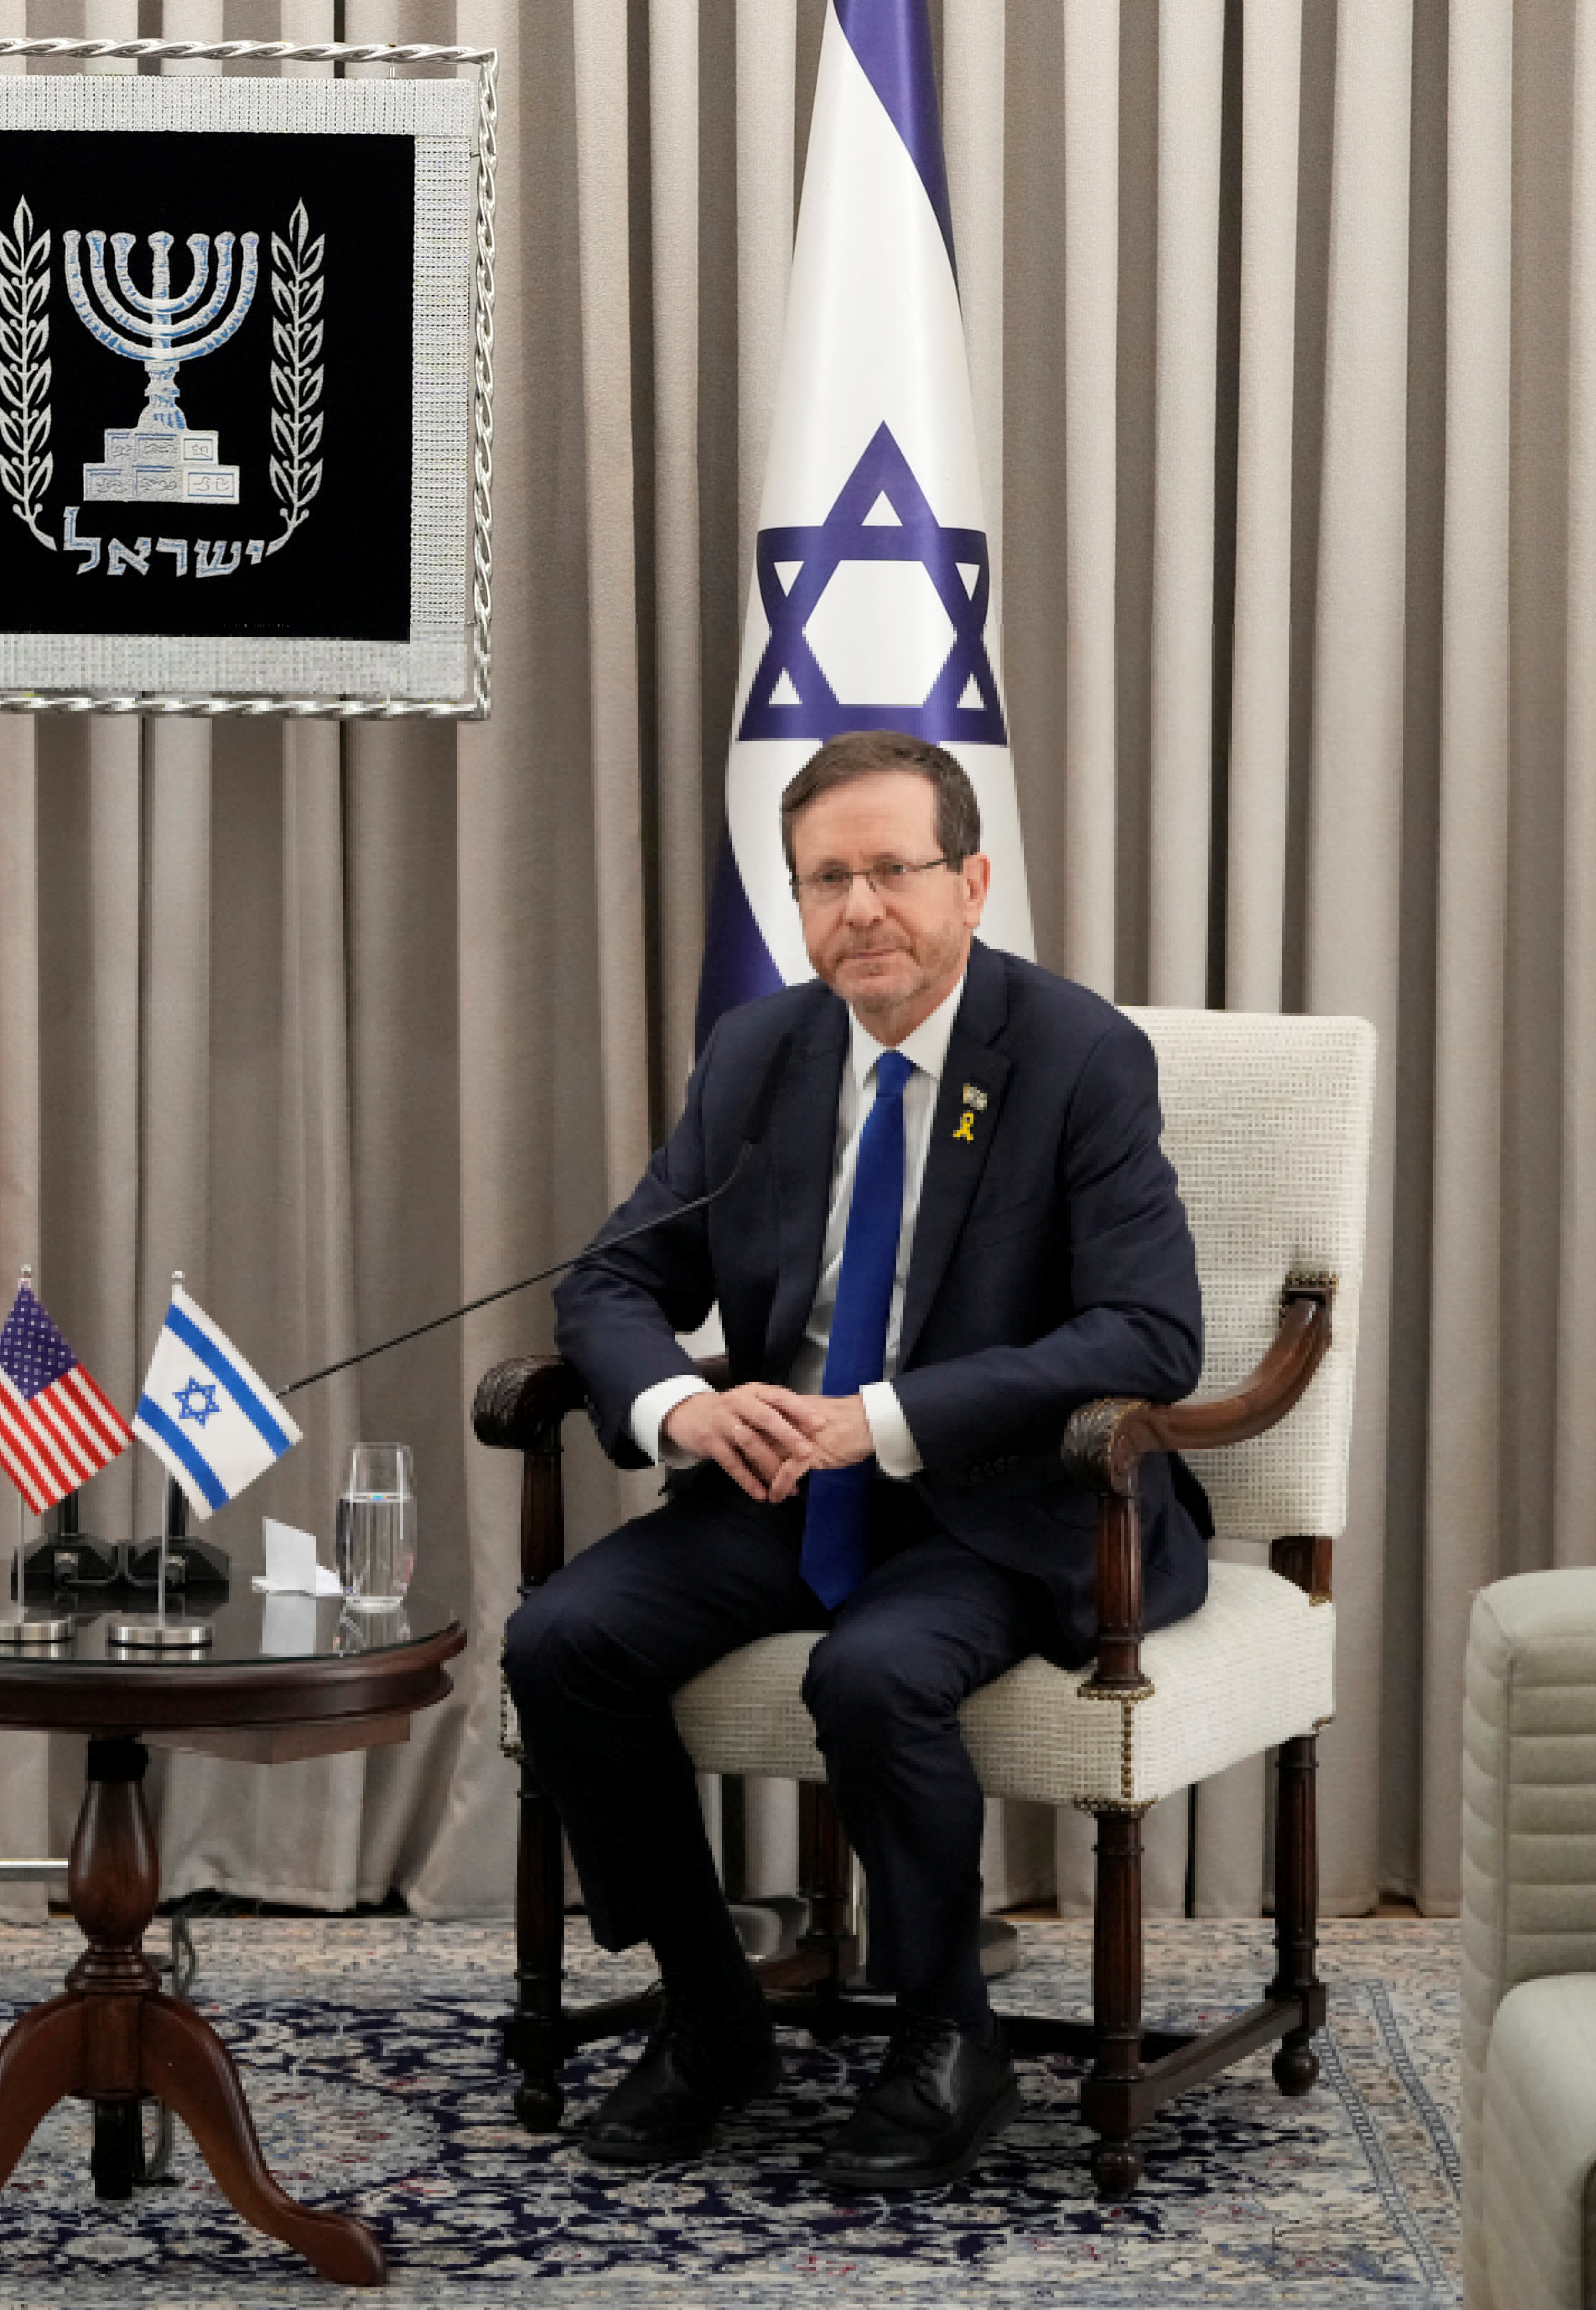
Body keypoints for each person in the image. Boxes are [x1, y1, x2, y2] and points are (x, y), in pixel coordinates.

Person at [502, 728, 1208, 2192]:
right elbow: (613, 1283)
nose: (860, 911)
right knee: (563, 1639)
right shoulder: (761, 1050)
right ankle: (711, 2017)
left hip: (1002, 1500)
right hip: (784, 1483)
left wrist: (882, 1417)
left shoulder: (1074, 1054)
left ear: (970, 882)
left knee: (870, 1676)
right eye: (826, 880)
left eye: (892, 871)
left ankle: (947, 2036)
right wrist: (681, 1413)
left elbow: (1147, 1337)